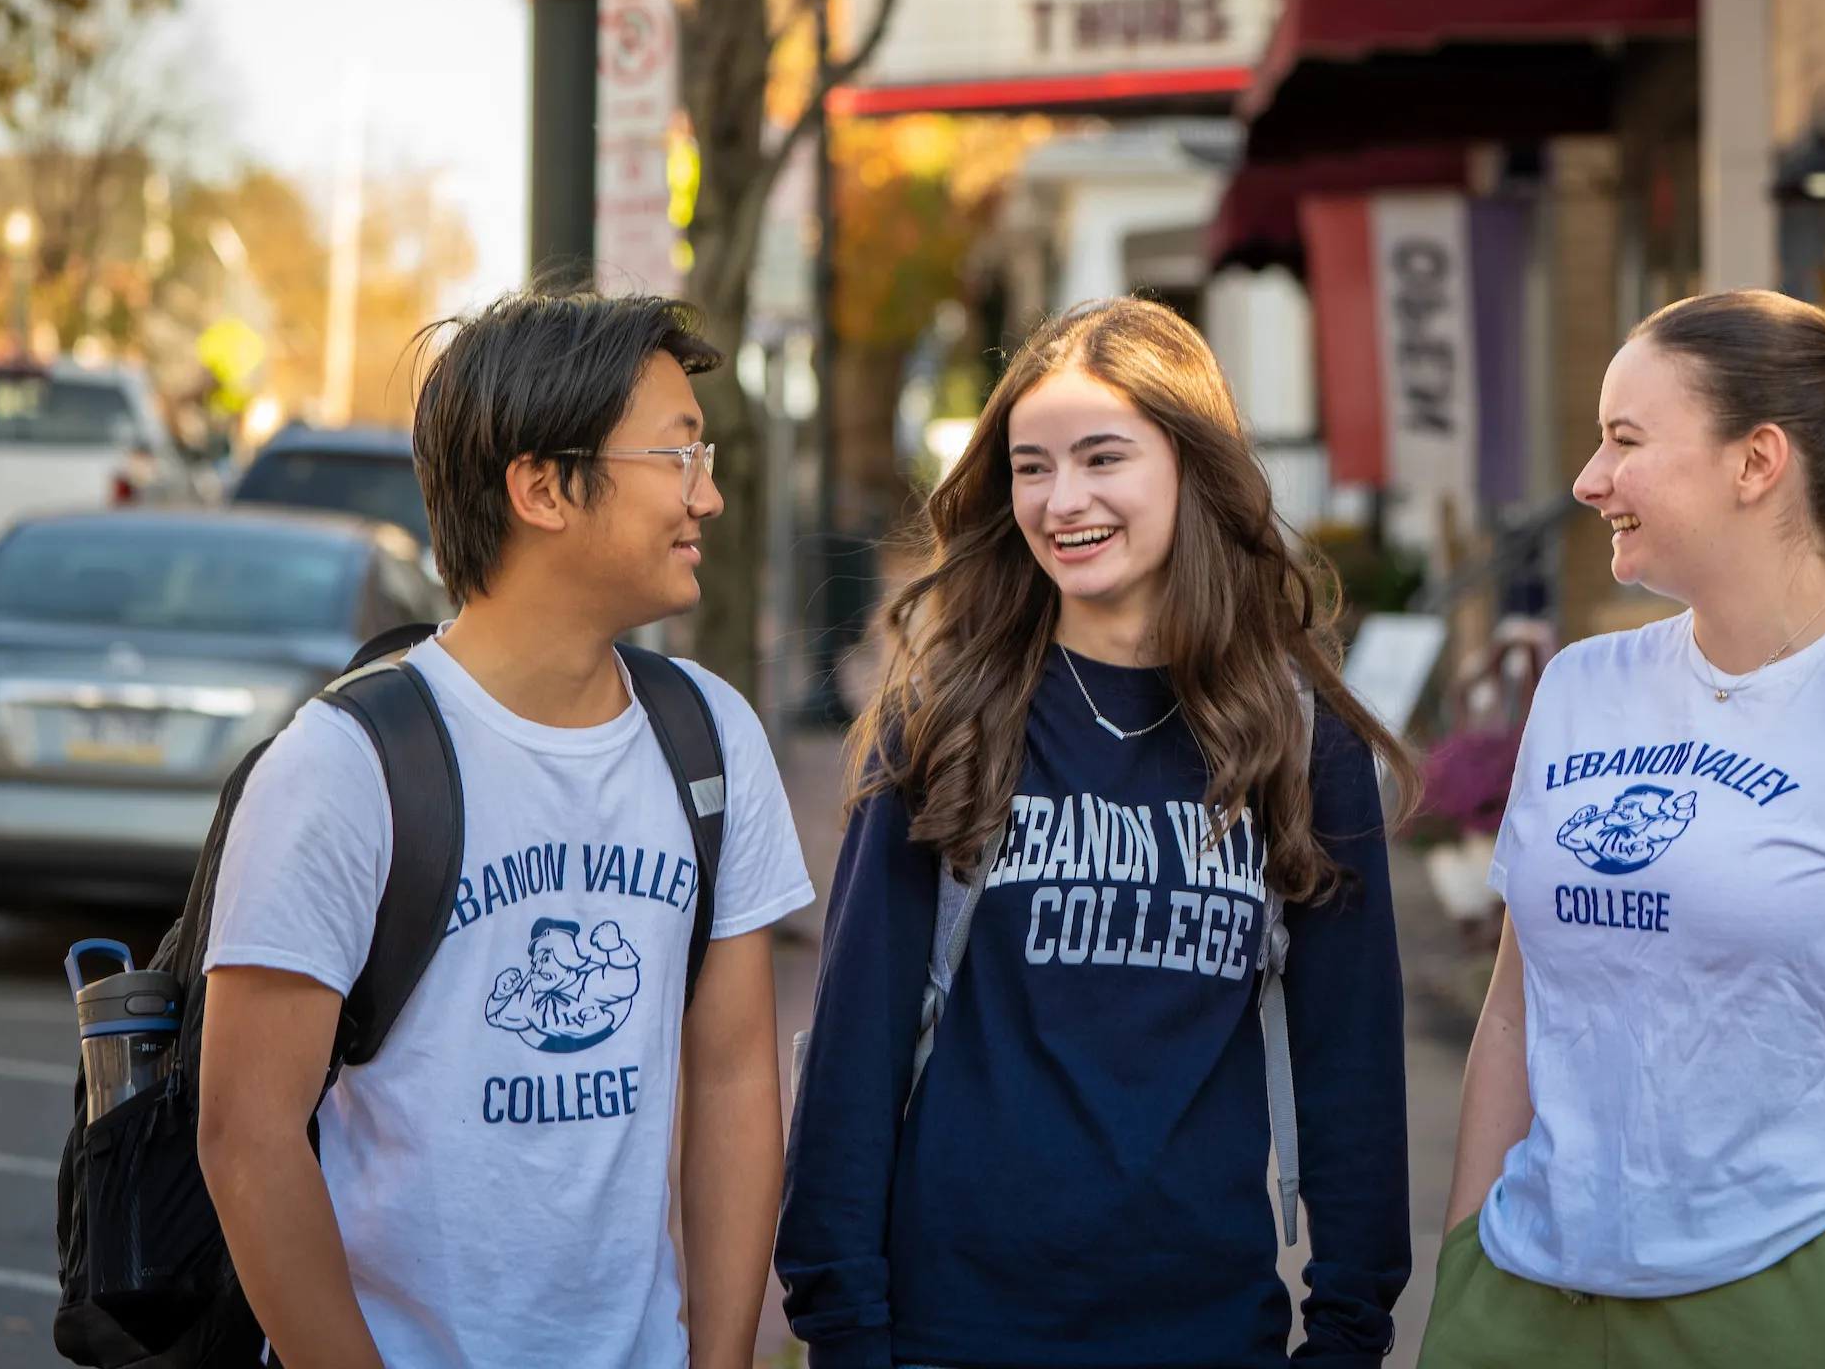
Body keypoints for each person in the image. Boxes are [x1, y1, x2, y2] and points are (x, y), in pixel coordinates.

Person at [1421, 290, 1825, 1369]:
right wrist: (1465, 1266)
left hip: (1793, 1303)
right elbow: (1517, 1012)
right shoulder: (1581, 688)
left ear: (1756, 461)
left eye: (1625, 440)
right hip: (1531, 1301)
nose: (1588, 480)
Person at [776, 297, 1417, 1369]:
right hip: (953, 1335)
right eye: (1031, 466)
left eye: (1101, 457)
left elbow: (1351, 1061)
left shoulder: (1296, 739)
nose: (1061, 500)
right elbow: (856, 1046)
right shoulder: (946, 722)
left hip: (1209, 1336)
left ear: (1191, 465)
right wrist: (845, 1333)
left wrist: (1348, 1332)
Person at [197, 293, 814, 1369]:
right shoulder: (343, 766)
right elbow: (245, 1140)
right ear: (541, 487)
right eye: (676, 456)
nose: (707, 495)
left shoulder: (710, 739)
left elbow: (729, 1083)